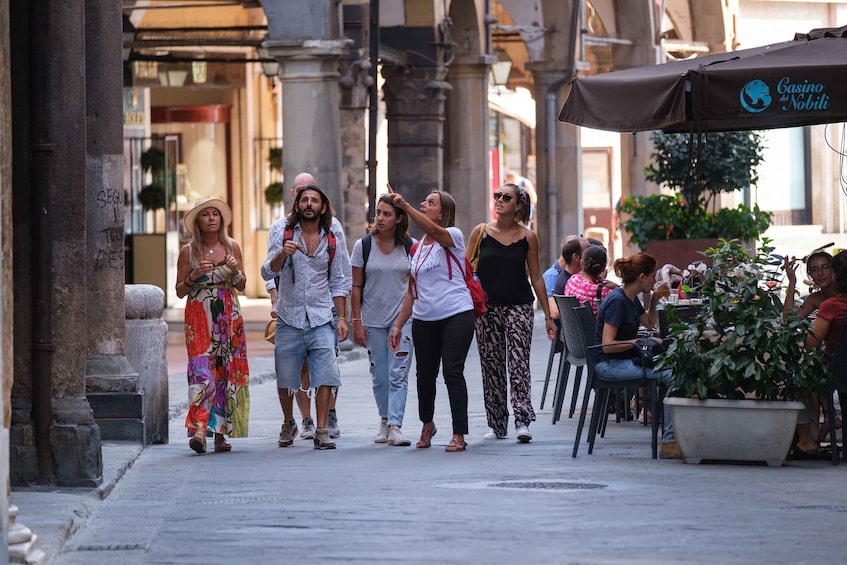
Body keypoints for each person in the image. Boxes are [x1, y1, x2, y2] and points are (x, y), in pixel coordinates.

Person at [261, 183, 350, 450]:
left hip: (321, 316)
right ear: (297, 205)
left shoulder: (331, 238)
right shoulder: (284, 232)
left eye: (314, 201)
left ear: (322, 207)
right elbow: (267, 272)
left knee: (326, 374)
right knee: (286, 376)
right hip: (289, 316)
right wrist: (282, 254)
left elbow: (339, 281)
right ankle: (289, 421)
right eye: (304, 200)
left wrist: (343, 318)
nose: (309, 204)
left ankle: (321, 429)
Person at [466, 183, 556, 442]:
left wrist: (549, 316)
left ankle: (522, 419)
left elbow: (536, 277)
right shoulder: (480, 233)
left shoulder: (528, 237)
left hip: (519, 306)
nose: (500, 200)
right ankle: (497, 423)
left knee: (518, 362)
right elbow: (466, 270)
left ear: (518, 205)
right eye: (497, 196)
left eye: (506, 197)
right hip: (487, 308)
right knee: (491, 365)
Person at [387, 186, 474, 452]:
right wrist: (398, 324)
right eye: (424, 201)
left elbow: (436, 232)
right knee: (424, 375)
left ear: (442, 213)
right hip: (425, 318)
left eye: (431, 202)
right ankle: (428, 424)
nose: (424, 204)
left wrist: (406, 205)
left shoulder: (454, 236)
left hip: (456, 313)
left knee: (452, 371)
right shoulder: (417, 249)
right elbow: (412, 291)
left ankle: (459, 432)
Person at [175, 198, 250, 454]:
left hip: (228, 314)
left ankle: (220, 435)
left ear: (221, 220)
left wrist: (235, 270)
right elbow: (179, 291)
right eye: (205, 214)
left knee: (224, 371)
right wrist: (193, 276)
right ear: (198, 221)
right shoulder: (188, 252)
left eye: (215, 214)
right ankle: (199, 429)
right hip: (199, 314)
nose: (211, 218)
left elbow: (242, 285)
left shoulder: (232, 247)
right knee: (201, 371)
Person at [593, 252, 679, 459]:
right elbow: (607, 345)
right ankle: (669, 441)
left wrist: (655, 298)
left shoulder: (631, 299)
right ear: (642, 277)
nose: (654, 281)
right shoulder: (618, 301)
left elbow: (649, 323)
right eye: (652, 276)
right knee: (672, 376)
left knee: (673, 369)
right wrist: (640, 342)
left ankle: (672, 436)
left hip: (623, 359)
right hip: (608, 364)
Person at [350, 194, 416, 446]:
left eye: (387, 214)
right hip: (373, 319)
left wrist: (401, 322)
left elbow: (414, 286)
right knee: (379, 375)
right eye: (378, 212)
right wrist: (357, 320)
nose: (380, 218)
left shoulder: (411, 247)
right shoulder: (363, 246)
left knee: (398, 373)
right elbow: (355, 286)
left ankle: (395, 426)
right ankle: (384, 418)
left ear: (399, 218)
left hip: (403, 319)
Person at [795, 250, 847, 457]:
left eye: (827, 268)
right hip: (838, 368)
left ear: (836, 275)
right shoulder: (819, 300)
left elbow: (810, 345)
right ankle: (829, 417)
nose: (822, 273)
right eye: (814, 270)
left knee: (801, 376)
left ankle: (807, 439)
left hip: (839, 371)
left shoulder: (831, 306)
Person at [564, 244, 616, 318]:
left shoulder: (572, 281)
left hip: (571, 328)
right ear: (603, 268)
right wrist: (617, 287)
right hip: (595, 329)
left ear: (582, 263)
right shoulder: (605, 292)